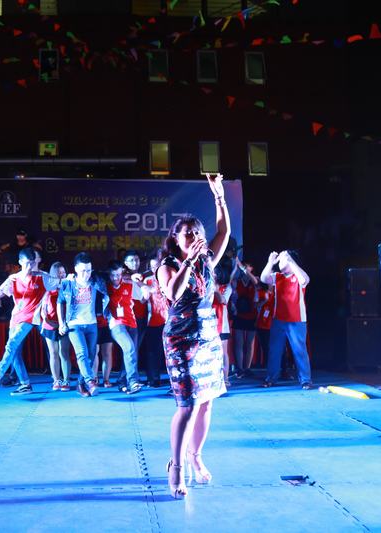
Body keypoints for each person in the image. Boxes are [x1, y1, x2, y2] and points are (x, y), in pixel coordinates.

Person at [155, 172, 230, 499]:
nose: (195, 237)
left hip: (208, 337)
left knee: (206, 403)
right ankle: (176, 466)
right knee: (187, 405)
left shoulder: (207, 260)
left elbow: (224, 231)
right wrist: (189, 261)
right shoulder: (168, 265)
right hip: (181, 340)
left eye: (198, 232)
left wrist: (219, 194)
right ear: (175, 238)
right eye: (187, 233)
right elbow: (173, 292)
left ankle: (196, 456)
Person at [0, 247, 58, 396]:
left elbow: (61, 283)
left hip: (31, 317)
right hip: (16, 317)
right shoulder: (14, 278)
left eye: (32, 263)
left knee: (11, 344)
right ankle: (25, 384)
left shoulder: (42, 277)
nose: (30, 266)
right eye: (27, 263)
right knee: (15, 352)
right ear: (20, 262)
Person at [57, 252, 110, 397]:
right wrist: (61, 323)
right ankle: (90, 381)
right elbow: (60, 302)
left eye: (88, 270)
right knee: (82, 353)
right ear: (75, 269)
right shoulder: (68, 283)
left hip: (92, 323)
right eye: (83, 271)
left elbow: (113, 275)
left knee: (91, 356)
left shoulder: (96, 281)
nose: (86, 274)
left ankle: (80, 384)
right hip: (74, 324)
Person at [260, 250, 314, 389]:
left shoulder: (298, 276)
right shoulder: (277, 276)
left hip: (297, 320)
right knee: (274, 351)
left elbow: (305, 280)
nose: (280, 262)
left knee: (299, 351)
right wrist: (270, 262)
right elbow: (263, 278)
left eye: (283, 259)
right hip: (278, 320)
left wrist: (289, 259)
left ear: (291, 261)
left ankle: (305, 380)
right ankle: (271, 378)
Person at [101, 260, 144, 394]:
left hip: (132, 322)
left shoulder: (129, 284)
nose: (116, 278)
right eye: (113, 275)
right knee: (129, 348)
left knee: (131, 353)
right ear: (108, 274)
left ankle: (122, 381)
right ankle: (133, 381)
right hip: (116, 323)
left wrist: (138, 282)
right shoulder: (104, 286)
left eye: (118, 275)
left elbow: (142, 297)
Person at [41, 261, 71, 391]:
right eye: (59, 273)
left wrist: (63, 324)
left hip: (64, 325)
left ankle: (66, 380)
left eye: (64, 272)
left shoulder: (69, 288)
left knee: (64, 353)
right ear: (53, 275)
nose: (62, 275)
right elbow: (43, 311)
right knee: (53, 353)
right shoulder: (48, 291)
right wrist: (48, 321)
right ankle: (56, 380)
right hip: (50, 326)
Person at [230, 257, 259, 378]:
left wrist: (242, 267)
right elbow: (229, 282)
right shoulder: (237, 281)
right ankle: (240, 368)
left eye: (248, 266)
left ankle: (247, 368)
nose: (245, 268)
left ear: (252, 268)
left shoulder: (255, 280)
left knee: (250, 343)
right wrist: (235, 268)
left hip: (252, 315)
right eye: (244, 266)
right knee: (239, 343)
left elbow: (256, 282)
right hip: (239, 314)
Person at [143, 257, 168, 388]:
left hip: (168, 319)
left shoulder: (168, 277)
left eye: (157, 265)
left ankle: (173, 379)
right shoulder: (147, 280)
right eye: (152, 266)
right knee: (152, 352)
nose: (154, 269)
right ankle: (153, 379)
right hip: (153, 319)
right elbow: (144, 298)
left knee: (168, 351)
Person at [212, 263, 233, 387]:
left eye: (214, 272)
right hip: (209, 323)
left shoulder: (227, 288)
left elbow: (222, 300)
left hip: (222, 325)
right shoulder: (207, 286)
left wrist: (215, 290)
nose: (212, 274)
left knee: (223, 352)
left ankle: (225, 378)